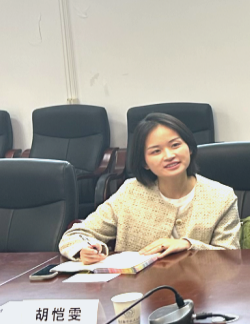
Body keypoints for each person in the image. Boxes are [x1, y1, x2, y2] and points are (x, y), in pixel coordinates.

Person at [59, 113, 240, 264]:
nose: (169, 156)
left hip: (200, 289)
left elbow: (231, 257)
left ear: (190, 148)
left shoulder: (221, 197)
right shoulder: (130, 193)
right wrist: (85, 249)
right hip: (138, 291)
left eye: (175, 145)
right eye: (156, 151)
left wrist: (188, 245)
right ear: (144, 162)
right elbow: (76, 234)